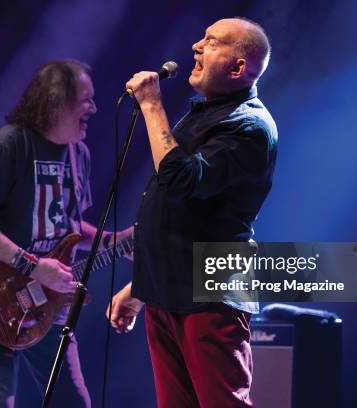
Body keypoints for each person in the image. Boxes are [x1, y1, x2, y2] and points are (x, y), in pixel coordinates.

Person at [107, 18, 277, 407]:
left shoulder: (248, 126)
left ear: (237, 67)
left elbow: (181, 181)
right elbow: (190, 214)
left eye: (211, 42)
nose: (196, 47)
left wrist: (151, 105)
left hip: (212, 292)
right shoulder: (206, 113)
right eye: (201, 38)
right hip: (172, 291)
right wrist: (141, 285)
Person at [0, 59, 129, 407]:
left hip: (49, 302)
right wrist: (33, 266)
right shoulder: (9, 145)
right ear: (56, 102)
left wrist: (113, 241)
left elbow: (69, 227)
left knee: (74, 402)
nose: (94, 108)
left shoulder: (80, 153)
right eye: (85, 99)